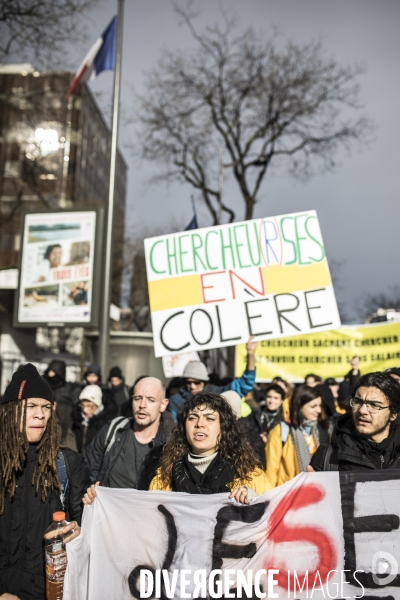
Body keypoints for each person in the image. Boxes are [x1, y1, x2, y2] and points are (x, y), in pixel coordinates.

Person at [0, 363, 89, 600]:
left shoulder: (68, 464)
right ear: (10, 410)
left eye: (46, 407)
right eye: (31, 406)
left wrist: (81, 529)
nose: (40, 414)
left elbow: (84, 530)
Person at [149, 391, 271, 503]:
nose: (199, 424)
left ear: (224, 429)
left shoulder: (252, 477)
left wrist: (255, 501)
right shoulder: (163, 479)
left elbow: (272, 517)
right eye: (192, 418)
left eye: (210, 418)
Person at [83, 377, 174, 503]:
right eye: (137, 398)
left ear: (163, 405)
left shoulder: (172, 444)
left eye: (151, 400)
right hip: (107, 518)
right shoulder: (114, 429)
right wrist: (89, 491)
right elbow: (86, 470)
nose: (142, 405)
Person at [309, 372, 400, 472]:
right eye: (358, 402)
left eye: (374, 405)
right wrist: (314, 486)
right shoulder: (329, 455)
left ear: (393, 413)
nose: (362, 410)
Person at [167, 337, 258, 420]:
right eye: (188, 382)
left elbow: (245, 384)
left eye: (197, 382)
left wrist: (250, 353)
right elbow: (173, 427)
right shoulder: (176, 400)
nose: (192, 386)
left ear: (205, 382)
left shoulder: (216, 393)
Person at [265, 385, 328, 488]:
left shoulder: (319, 430)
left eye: (319, 406)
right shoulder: (281, 431)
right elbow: (271, 471)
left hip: (315, 492)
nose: (319, 410)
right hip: (287, 494)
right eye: (313, 406)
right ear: (299, 406)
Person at [244, 384, 286, 468]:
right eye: (269, 397)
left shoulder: (284, 418)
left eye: (276, 398)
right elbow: (246, 431)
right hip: (256, 459)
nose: (271, 401)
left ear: (282, 400)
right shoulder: (256, 414)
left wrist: (270, 441)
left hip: (276, 461)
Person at [72, 384, 117, 454]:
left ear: (97, 405)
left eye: (89, 406)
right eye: (82, 406)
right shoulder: (77, 420)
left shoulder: (105, 424)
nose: (85, 410)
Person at [43, 359, 76, 431]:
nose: (50, 375)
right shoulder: (44, 387)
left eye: (53, 372)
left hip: (64, 427)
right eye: (49, 371)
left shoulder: (69, 390)